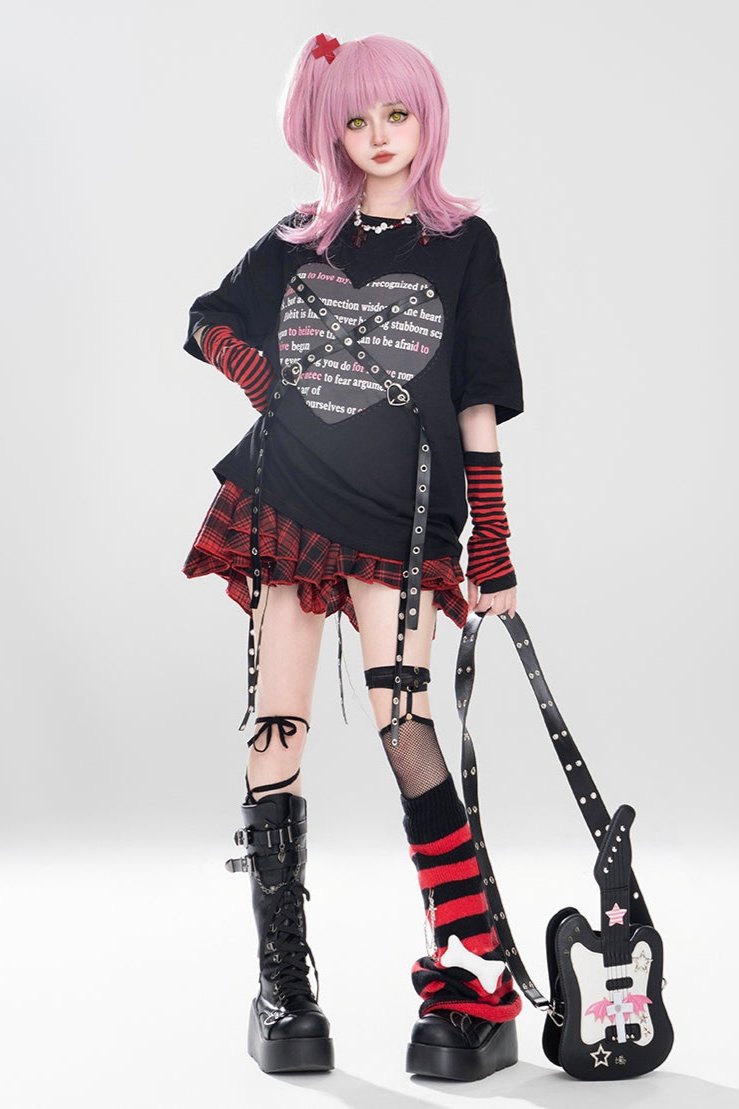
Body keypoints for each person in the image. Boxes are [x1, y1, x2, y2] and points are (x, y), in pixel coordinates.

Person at [181, 31, 525, 1082]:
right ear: (328, 129)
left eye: (396, 115)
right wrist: (261, 379)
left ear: (426, 119)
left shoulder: (463, 247)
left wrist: (493, 541)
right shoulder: (298, 241)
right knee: (276, 722)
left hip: (402, 525)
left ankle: (471, 974)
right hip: (288, 504)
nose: (378, 136)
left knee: (405, 724)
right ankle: (282, 984)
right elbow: (207, 318)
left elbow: (475, 404)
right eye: (356, 119)